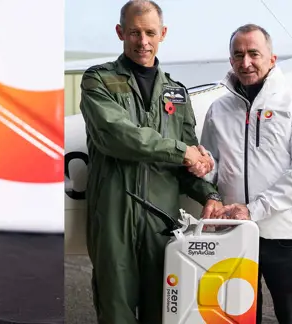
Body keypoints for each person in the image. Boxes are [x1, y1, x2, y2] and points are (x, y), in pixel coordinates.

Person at [78, 1, 221, 323]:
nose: (143, 41)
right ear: (120, 33)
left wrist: (208, 194)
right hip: (113, 218)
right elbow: (117, 135)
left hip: (162, 223)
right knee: (116, 311)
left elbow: (188, 158)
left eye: (150, 33)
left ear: (163, 34)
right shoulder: (98, 80)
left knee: (165, 310)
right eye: (134, 32)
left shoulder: (176, 92)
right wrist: (182, 152)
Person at [198, 24, 292, 324]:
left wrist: (254, 210)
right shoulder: (218, 109)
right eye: (238, 55)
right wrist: (206, 182)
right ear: (231, 61)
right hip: (234, 232)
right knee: (238, 316)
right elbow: (210, 165)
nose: (246, 62)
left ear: (272, 58)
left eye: (254, 53)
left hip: (284, 235)